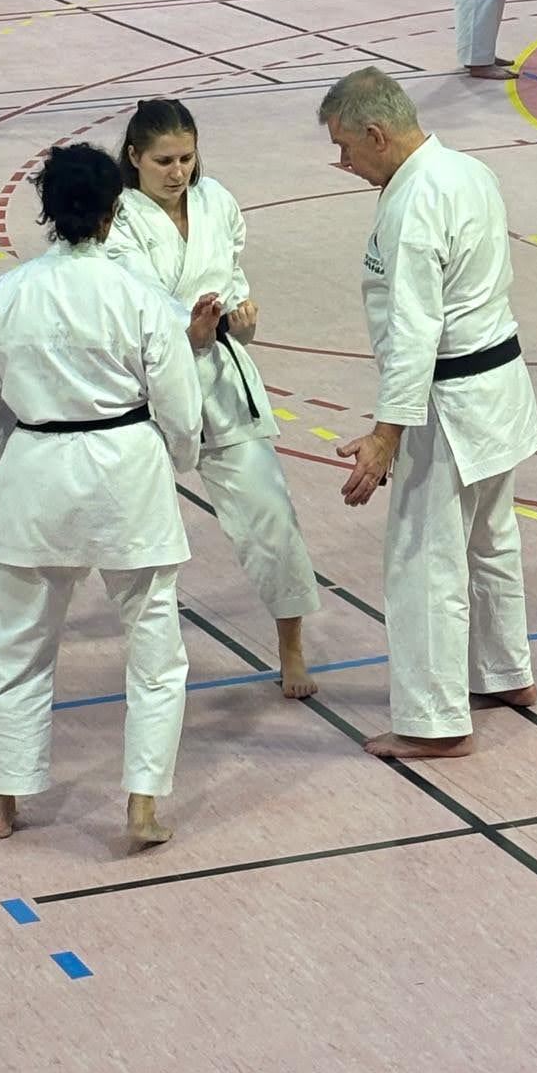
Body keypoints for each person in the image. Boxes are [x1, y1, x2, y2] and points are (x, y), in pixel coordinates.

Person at [0, 143, 202, 851]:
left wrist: (6, 477)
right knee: (154, 647)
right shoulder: (140, 297)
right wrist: (175, 463)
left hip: (35, 465)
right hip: (127, 468)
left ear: (47, 211)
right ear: (112, 212)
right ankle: (142, 804)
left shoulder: (5, 294)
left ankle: (1, 801)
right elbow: (180, 409)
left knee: (17, 643)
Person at [317, 67, 537, 760]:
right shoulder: (467, 170)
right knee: (491, 540)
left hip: (449, 402)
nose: (343, 162)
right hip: (498, 385)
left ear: (376, 134)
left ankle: (434, 723)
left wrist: (386, 435)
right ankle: (505, 673)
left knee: (424, 561)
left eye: (345, 146)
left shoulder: (414, 203)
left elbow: (415, 330)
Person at [106, 99, 323, 699]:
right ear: (134, 157)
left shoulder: (217, 202)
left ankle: (292, 648)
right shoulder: (117, 217)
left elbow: (234, 288)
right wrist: (187, 332)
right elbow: (133, 303)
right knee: (132, 530)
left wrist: (239, 322)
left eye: (186, 158)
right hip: (145, 389)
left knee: (271, 515)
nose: (178, 172)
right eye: (163, 161)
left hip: (220, 380)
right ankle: (142, 653)